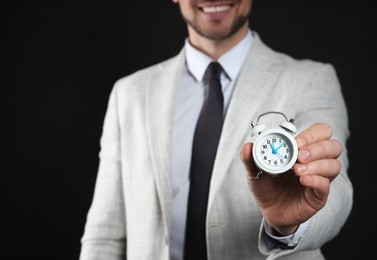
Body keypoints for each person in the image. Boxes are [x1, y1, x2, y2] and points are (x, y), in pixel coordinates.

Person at [79, 0, 353, 259]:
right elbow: (105, 234)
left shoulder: (312, 79)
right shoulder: (130, 93)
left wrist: (291, 226)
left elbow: (335, 186)